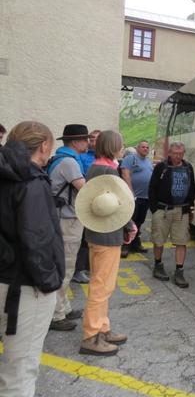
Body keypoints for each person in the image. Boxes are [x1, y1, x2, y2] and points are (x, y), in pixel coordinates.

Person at [0, 121, 65, 397]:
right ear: (43, 146)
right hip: (26, 289)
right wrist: (50, 283)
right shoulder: (31, 181)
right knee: (20, 372)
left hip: (5, 278)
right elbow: (35, 240)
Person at [78, 130, 135, 356]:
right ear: (113, 146)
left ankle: (103, 328)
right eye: (120, 144)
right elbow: (118, 204)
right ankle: (92, 336)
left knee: (103, 284)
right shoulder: (107, 169)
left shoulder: (96, 166)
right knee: (102, 286)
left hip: (98, 232)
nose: (122, 147)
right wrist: (130, 226)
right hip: (107, 234)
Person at [47, 124, 89, 331]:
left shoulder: (59, 158)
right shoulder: (70, 163)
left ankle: (64, 307)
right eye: (85, 139)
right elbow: (86, 190)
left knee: (64, 266)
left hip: (61, 218)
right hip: (68, 220)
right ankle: (56, 315)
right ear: (75, 142)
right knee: (65, 267)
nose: (88, 143)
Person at [148, 141, 195, 288]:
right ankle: (158, 265)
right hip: (162, 210)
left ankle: (179, 271)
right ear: (170, 153)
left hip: (181, 211)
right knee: (159, 239)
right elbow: (152, 188)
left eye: (181, 153)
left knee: (181, 241)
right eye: (175, 153)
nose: (178, 156)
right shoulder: (161, 167)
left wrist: (190, 208)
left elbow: (192, 188)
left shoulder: (188, 167)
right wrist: (155, 209)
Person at [73, 129, 101, 285]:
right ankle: (78, 270)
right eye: (91, 139)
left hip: (101, 202)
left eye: (96, 139)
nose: (93, 142)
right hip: (86, 201)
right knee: (83, 237)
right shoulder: (81, 156)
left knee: (95, 236)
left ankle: (90, 267)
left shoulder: (105, 158)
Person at [120, 140, 153, 257]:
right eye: (143, 147)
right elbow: (125, 173)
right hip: (134, 197)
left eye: (147, 147)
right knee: (130, 221)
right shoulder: (131, 159)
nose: (145, 149)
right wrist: (130, 191)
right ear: (137, 148)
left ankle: (135, 244)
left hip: (145, 197)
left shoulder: (148, 161)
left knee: (139, 221)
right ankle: (125, 245)